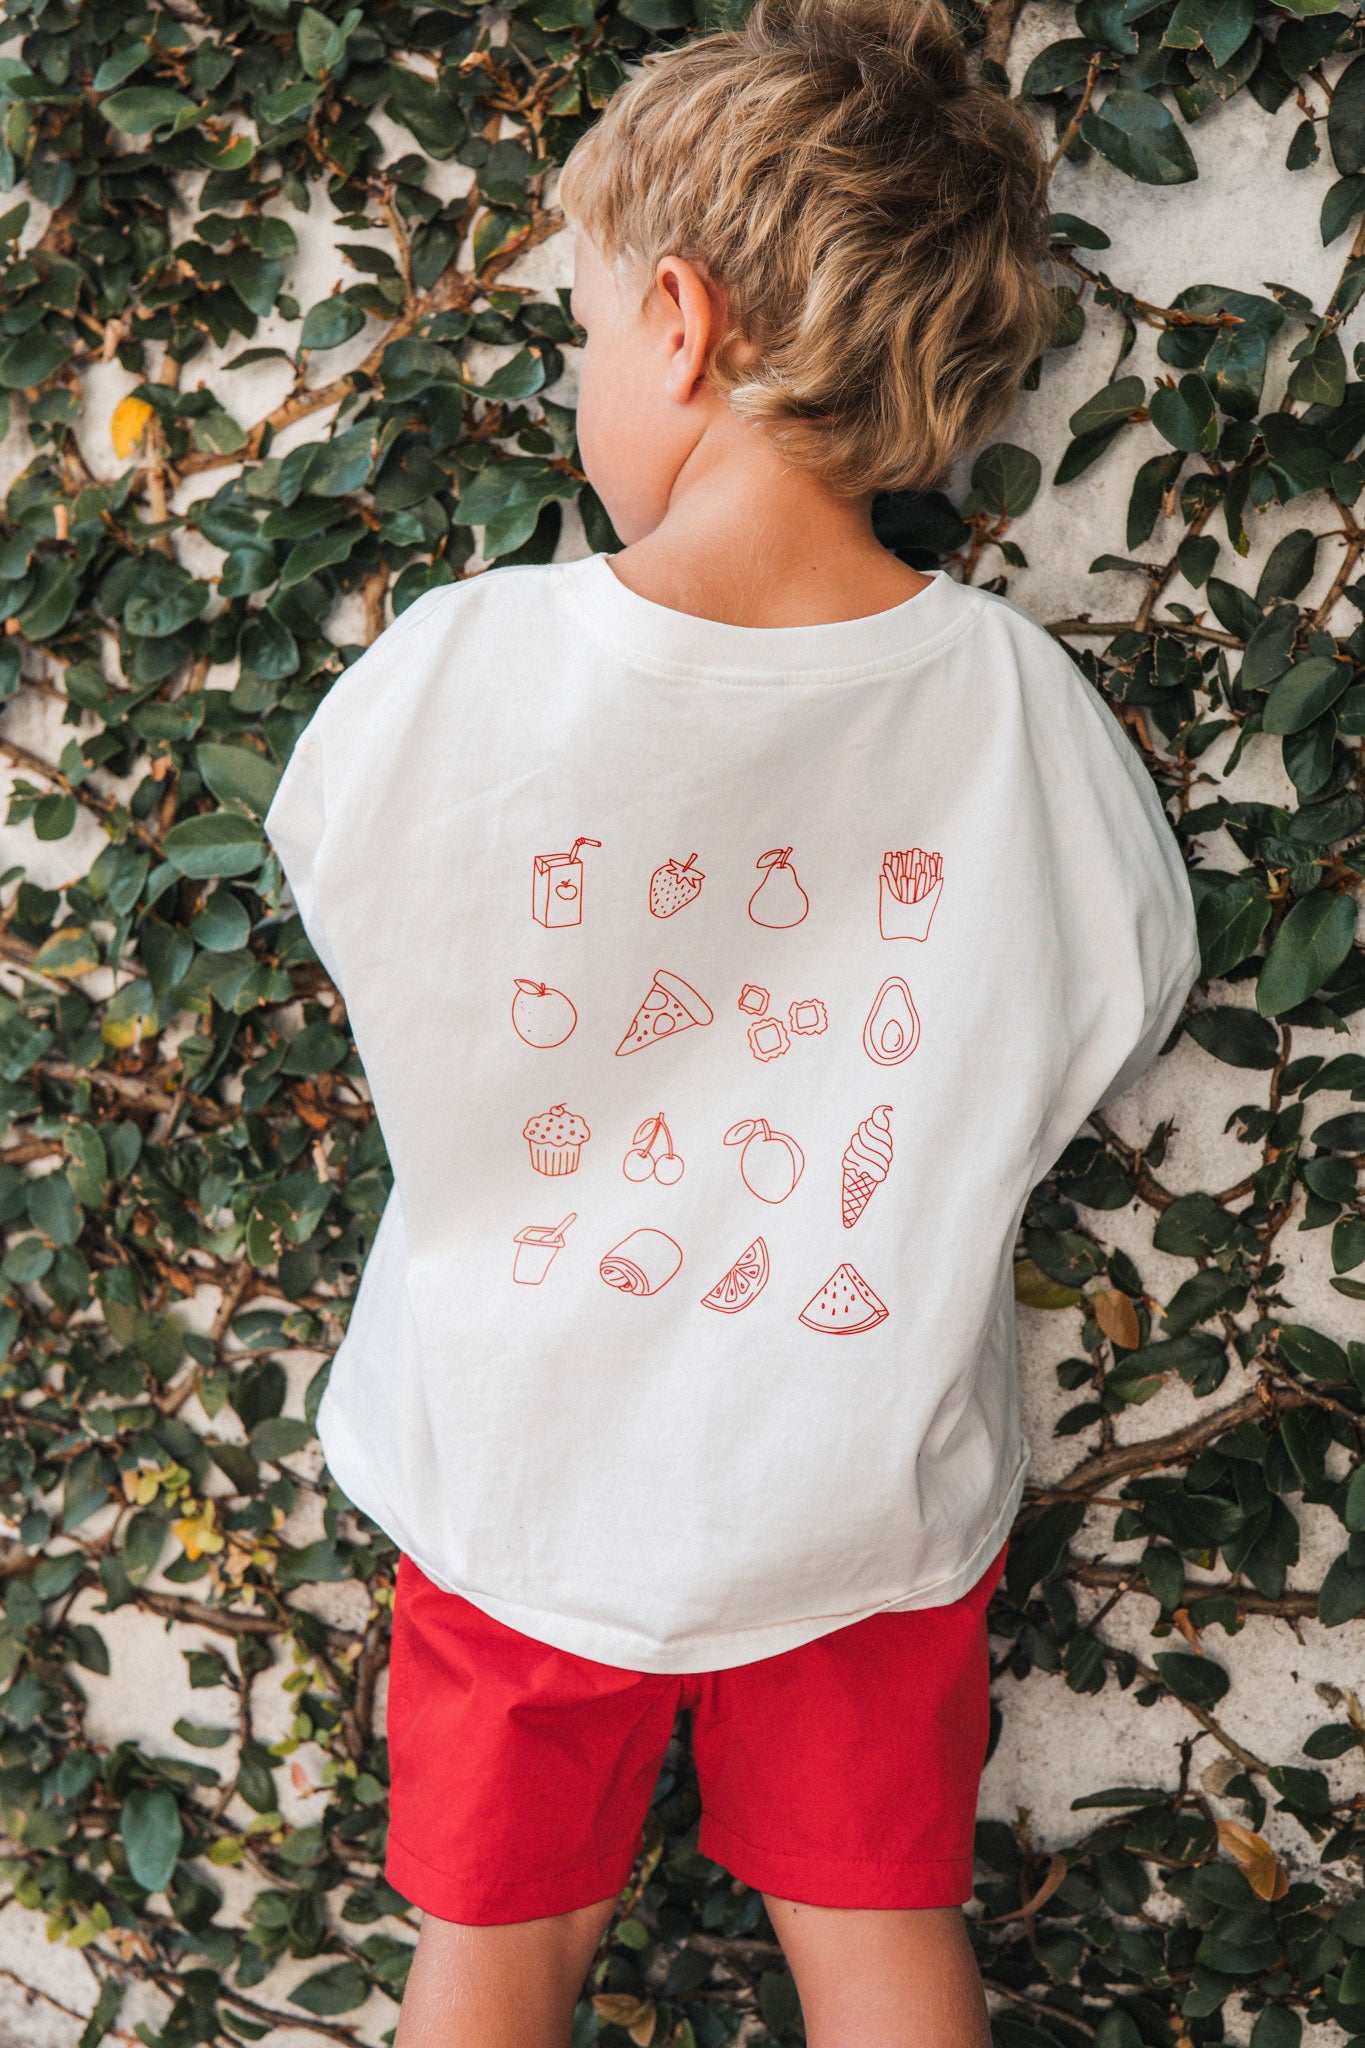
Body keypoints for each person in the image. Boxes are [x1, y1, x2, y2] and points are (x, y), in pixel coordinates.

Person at [263, 0, 1199, 2040]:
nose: (585, 380)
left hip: (515, 1477)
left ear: (675, 324)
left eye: (584, 331)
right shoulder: (1016, 717)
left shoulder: (457, 674)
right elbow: (1115, 995)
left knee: (488, 1956)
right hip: (855, 1490)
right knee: (878, 1949)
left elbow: (342, 874)